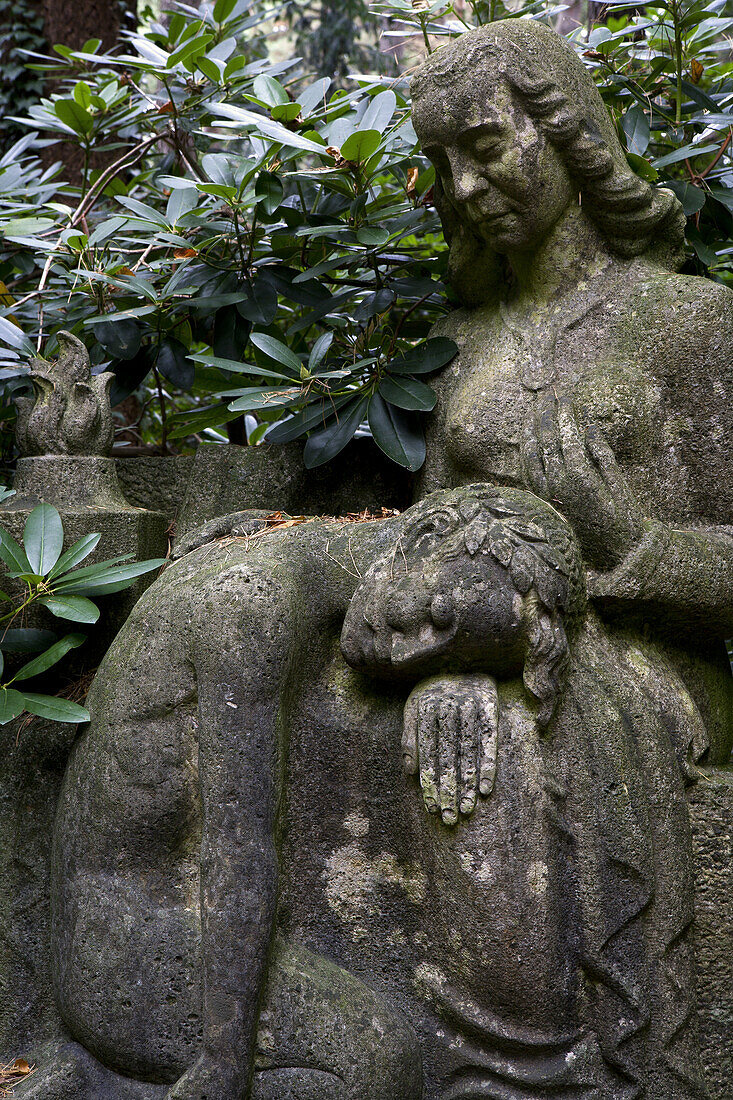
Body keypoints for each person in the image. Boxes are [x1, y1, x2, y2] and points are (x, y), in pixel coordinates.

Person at [403, 17, 733, 1099]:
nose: (464, 184)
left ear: (566, 132)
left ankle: (534, 1068)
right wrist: (440, 650)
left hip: (652, 669)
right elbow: (427, 538)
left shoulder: (688, 324)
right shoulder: (465, 349)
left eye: (486, 145)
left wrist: (630, 542)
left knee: (501, 726)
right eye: (441, 163)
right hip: (488, 644)